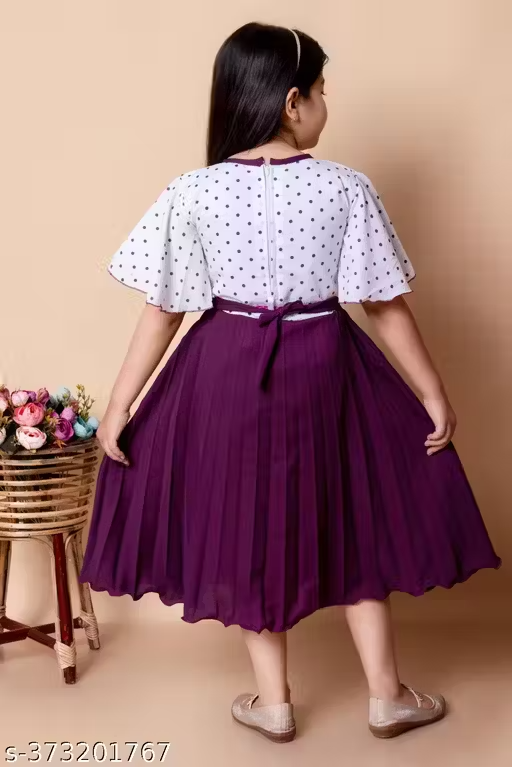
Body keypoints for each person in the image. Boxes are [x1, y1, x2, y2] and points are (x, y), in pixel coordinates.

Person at [80, 22, 501, 744]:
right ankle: (387, 696)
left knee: (245, 521)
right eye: (323, 91)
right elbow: (383, 303)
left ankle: (273, 702)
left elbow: (165, 308)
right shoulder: (345, 186)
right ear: (292, 100)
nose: (326, 105)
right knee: (355, 516)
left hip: (223, 366)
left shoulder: (192, 191)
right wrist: (432, 392)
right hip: (326, 359)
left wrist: (122, 404)